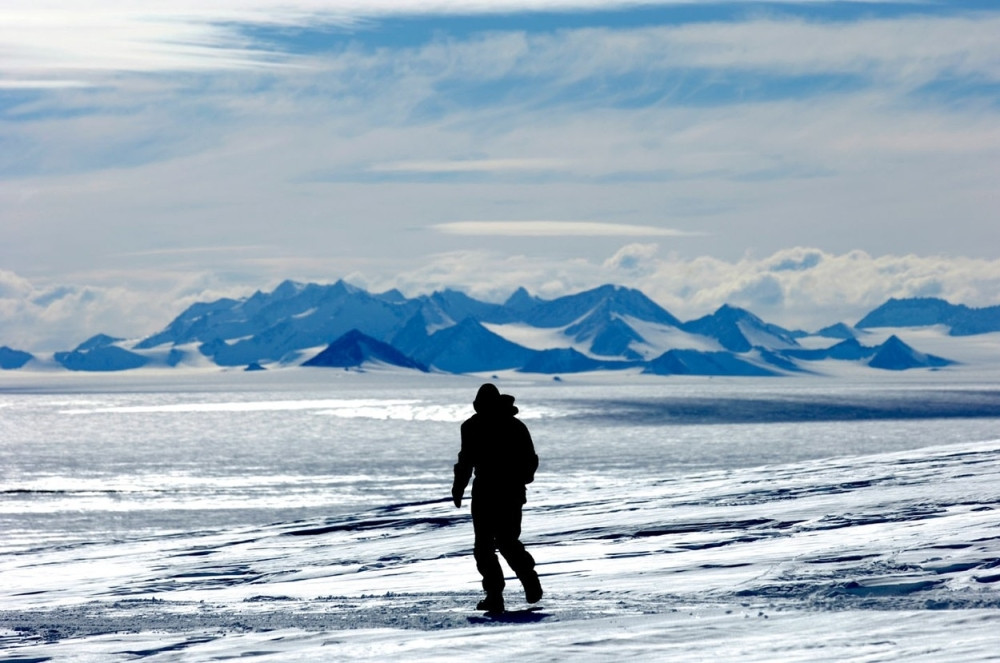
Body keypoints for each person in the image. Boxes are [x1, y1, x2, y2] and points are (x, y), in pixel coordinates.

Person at [452, 383, 543, 613]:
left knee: (499, 543)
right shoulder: (475, 427)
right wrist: (459, 486)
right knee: (490, 545)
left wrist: (519, 479)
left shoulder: (509, 426)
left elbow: (529, 460)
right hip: (491, 492)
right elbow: (466, 460)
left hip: (502, 492)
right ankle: (498, 594)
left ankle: (522, 582)